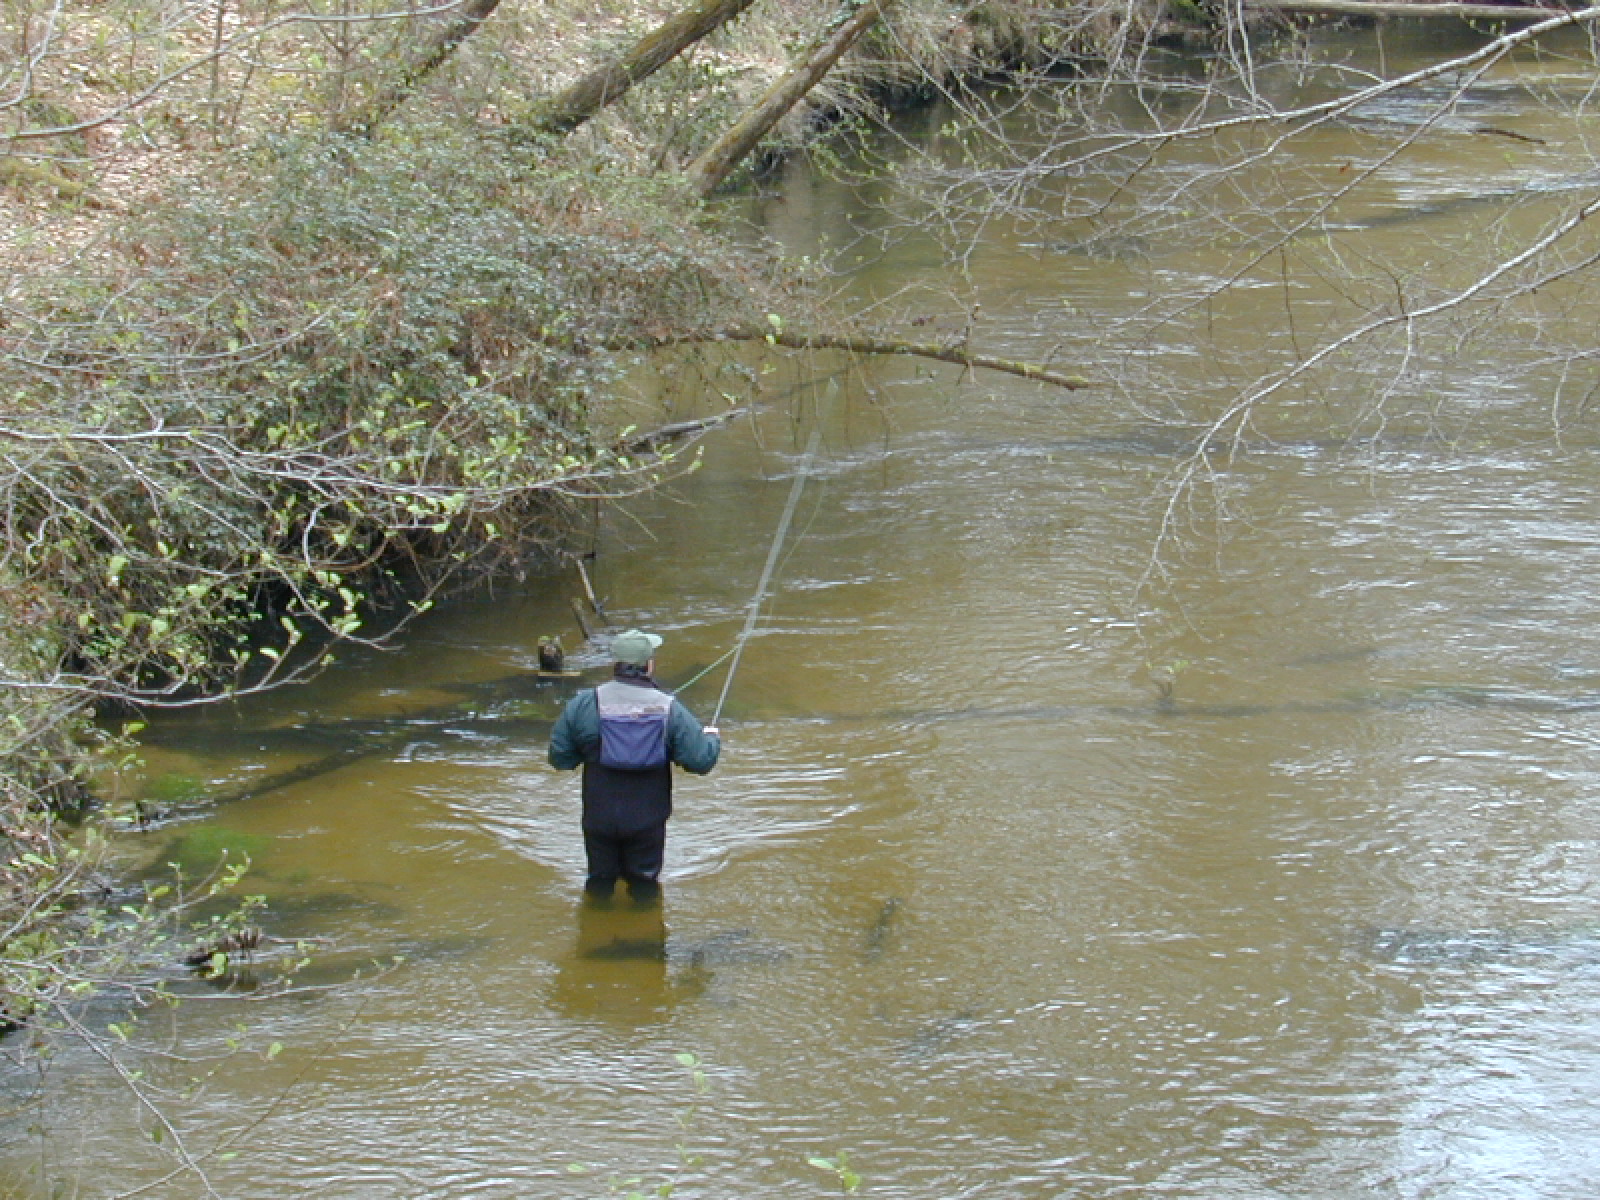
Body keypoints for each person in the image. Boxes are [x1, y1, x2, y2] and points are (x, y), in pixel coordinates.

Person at [548, 629, 721, 899]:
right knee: (645, 885)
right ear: (649, 665)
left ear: (614, 664)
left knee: (599, 881)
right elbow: (701, 761)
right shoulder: (670, 709)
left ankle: (595, 931)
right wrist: (712, 739)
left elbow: (560, 759)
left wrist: (592, 748)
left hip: (599, 817)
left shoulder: (583, 704)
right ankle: (646, 935)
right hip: (648, 820)